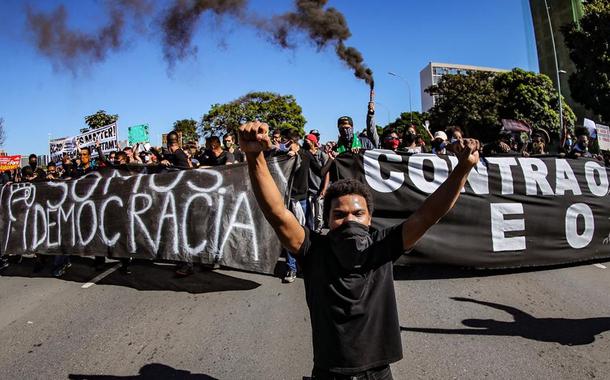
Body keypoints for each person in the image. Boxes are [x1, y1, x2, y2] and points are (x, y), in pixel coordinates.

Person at [239, 121, 480, 379]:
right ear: (328, 220)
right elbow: (277, 213)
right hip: (329, 372)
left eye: (358, 213)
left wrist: (463, 169)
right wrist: (254, 157)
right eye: (340, 214)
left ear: (369, 219)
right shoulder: (312, 249)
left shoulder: (383, 246)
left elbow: (428, 215)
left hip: (378, 373)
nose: (350, 220)